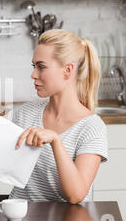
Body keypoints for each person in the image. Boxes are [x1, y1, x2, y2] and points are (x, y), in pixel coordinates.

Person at [10, 29, 108, 204]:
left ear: (67, 70)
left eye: (41, 67)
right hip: (21, 220)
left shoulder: (92, 127)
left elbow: (76, 195)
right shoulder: (25, 113)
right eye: (34, 67)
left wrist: (56, 141)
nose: (33, 75)